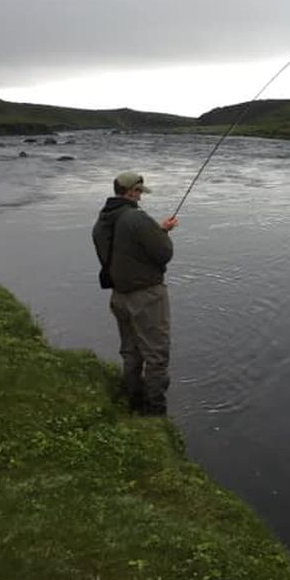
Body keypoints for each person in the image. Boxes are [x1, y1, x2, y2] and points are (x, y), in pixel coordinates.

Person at [92, 171, 178, 416]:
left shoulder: (103, 219)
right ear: (131, 191)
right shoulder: (137, 219)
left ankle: (133, 402)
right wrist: (162, 233)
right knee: (156, 356)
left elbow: (122, 248)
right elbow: (164, 253)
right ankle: (155, 413)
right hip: (147, 298)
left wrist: (156, 229)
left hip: (119, 297)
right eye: (139, 192)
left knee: (131, 352)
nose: (140, 197)